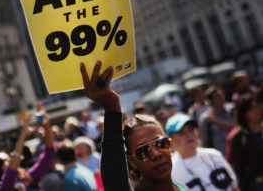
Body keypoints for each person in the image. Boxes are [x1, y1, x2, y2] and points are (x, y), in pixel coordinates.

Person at [80, 61, 188, 191]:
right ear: (131, 162)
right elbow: (114, 181)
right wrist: (112, 108)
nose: (156, 154)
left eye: (161, 143)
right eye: (143, 151)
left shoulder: (182, 187)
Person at [0, 109, 55, 191]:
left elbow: (49, 153)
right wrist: (23, 135)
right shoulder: (4, 189)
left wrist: (46, 126)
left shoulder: (27, 178)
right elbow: (11, 172)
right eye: (6, 160)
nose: (11, 159)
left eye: (9, 158)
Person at [166, 114, 238, 191]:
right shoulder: (171, 172)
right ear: (171, 141)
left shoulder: (214, 155)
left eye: (191, 130)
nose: (189, 135)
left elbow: (235, 187)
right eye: (181, 133)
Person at [229, 94, 263, 191]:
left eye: (258, 107)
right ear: (244, 113)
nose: (258, 111)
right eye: (252, 109)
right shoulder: (239, 137)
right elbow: (240, 170)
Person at [199, 86, 234, 155]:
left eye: (222, 95)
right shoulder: (206, 119)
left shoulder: (232, 110)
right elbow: (204, 142)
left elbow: (235, 127)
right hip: (219, 155)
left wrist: (215, 120)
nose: (221, 98)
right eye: (217, 97)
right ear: (211, 101)